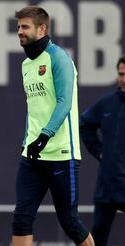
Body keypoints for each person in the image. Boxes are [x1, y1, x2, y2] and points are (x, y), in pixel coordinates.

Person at [11, 6, 94, 246]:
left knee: (69, 221)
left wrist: (45, 136)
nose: (19, 32)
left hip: (61, 154)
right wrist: (30, 141)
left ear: (42, 28)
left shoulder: (59, 58)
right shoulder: (26, 65)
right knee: (21, 218)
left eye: (25, 27)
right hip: (32, 154)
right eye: (18, 27)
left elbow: (64, 103)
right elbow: (33, 109)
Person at [79, 56, 125, 246]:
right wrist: (98, 151)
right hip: (107, 185)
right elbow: (84, 124)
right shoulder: (107, 103)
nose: (123, 78)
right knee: (98, 235)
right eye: (121, 74)